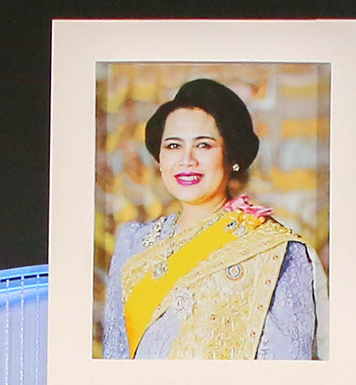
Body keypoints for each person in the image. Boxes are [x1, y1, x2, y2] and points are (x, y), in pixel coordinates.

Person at [101, 78, 325, 362]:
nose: (186, 160)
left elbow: (288, 367)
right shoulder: (133, 243)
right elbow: (115, 358)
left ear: (232, 155)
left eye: (204, 145)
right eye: (173, 146)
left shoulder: (276, 250)